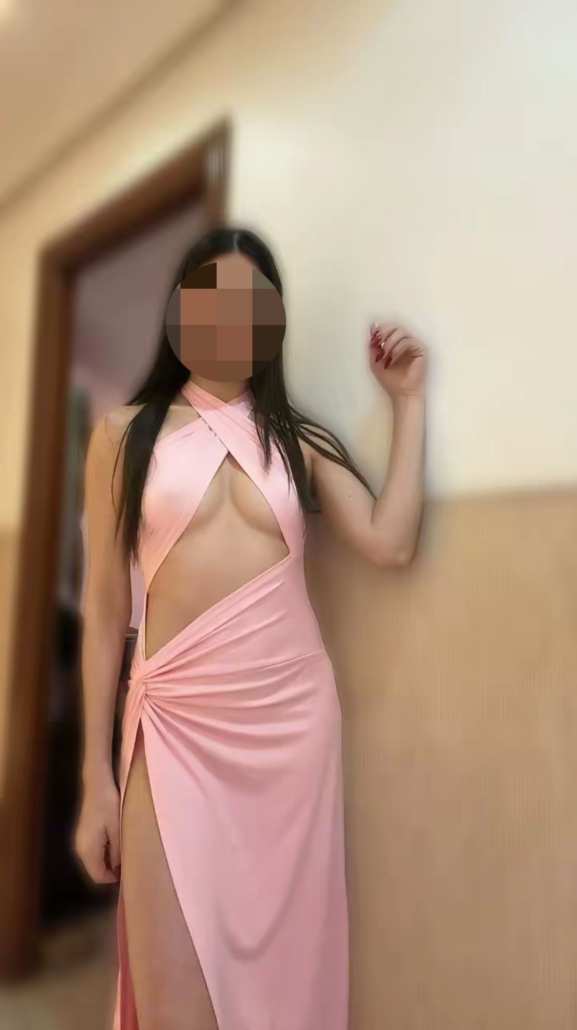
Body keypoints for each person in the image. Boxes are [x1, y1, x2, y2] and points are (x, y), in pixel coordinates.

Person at [74, 226, 428, 1030]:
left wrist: (407, 403)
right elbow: (102, 612)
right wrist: (96, 779)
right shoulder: (124, 434)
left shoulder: (297, 440)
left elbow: (390, 541)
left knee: (282, 984)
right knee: (174, 995)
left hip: (289, 729)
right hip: (172, 727)